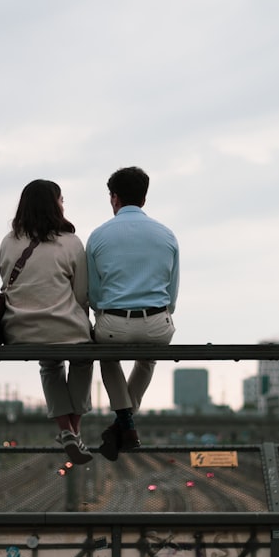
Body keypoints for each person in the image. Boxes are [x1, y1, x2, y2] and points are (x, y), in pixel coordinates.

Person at [86, 166, 179, 461]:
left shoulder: (98, 236)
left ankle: (125, 423)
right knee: (148, 356)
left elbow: (94, 295)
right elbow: (172, 293)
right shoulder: (167, 235)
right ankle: (120, 427)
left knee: (106, 352)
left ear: (114, 198)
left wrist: (105, 314)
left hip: (114, 323)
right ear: (144, 199)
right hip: (158, 323)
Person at [0, 179, 94, 464]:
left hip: (18, 330)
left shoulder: (8, 242)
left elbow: (6, 283)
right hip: (66, 329)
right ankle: (73, 430)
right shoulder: (71, 242)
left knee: (49, 363)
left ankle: (66, 431)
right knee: (83, 358)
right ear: (55, 205)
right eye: (61, 200)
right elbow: (81, 295)